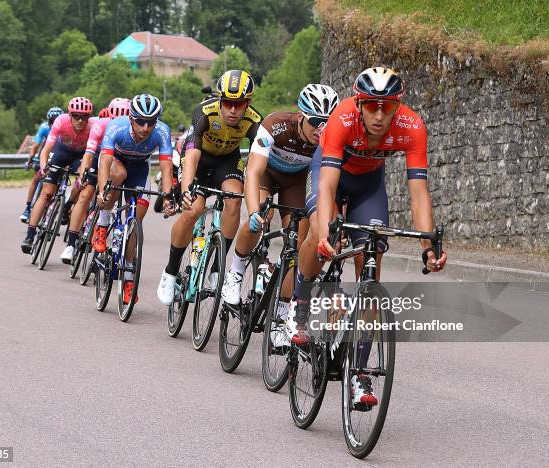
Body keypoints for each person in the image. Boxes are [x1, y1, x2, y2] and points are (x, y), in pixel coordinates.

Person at [289, 67, 448, 407]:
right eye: (372, 106)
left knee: (371, 265)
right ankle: (299, 305)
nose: (379, 115)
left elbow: (419, 192)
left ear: (398, 106)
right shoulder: (342, 119)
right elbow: (328, 183)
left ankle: (358, 373)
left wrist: (427, 246)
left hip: (368, 188)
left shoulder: (412, 127)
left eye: (387, 107)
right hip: (332, 174)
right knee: (321, 232)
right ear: (359, 103)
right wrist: (327, 227)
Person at [220, 84, 339, 309]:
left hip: (295, 182)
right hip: (267, 174)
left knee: (298, 244)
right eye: (315, 122)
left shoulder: (330, 140)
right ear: (302, 116)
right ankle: (235, 271)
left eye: (327, 124)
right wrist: (254, 210)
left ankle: (282, 312)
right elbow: (254, 171)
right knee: (262, 216)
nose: (321, 130)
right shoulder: (276, 125)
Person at [156, 70, 262, 305]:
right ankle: (170, 272)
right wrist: (185, 190)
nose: (233, 110)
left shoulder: (254, 120)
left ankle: (217, 268)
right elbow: (191, 156)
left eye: (239, 104)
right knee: (193, 209)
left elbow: (263, 157)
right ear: (220, 100)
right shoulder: (204, 112)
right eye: (228, 103)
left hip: (227, 161)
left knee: (234, 199)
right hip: (200, 160)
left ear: (248, 103)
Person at [91, 94, 174, 304]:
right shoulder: (116, 127)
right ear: (131, 118)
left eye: (151, 123)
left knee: (135, 222)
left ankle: (128, 276)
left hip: (139, 168)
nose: (146, 127)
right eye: (140, 121)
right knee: (118, 176)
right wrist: (102, 191)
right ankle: (101, 225)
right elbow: (105, 161)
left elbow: (166, 167)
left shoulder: (162, 132)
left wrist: (167, 196)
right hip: (116, 162)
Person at [20, 97, 96, 254]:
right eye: (76, 116)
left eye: (84, 117)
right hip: (61, 153)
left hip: (81, 156)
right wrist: (42, 168)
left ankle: (68, 203)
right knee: (46, 192)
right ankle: (30, 236)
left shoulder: (93, 126)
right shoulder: (61, 122)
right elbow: (46, 150)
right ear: (70, 115)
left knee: (85, 180)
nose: (80, 121)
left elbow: (90, 156)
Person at [59, 97, 130, 264]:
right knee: (86, 193)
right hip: (101, 156)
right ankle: (70, 244)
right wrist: (83, 172)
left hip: (122, 162)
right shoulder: (100, 125)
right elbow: (89, 152)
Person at [19, 107, 63, 222]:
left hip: (60, 155)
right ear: (48, 121)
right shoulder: (44, 127)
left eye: (56, 121)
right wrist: (30, 159)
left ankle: (52, 208)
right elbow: (35, 145)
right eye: (51, 121)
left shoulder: (65, 128)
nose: (53, 124)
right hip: (45, 154)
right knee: (36, 179)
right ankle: (28, 208)